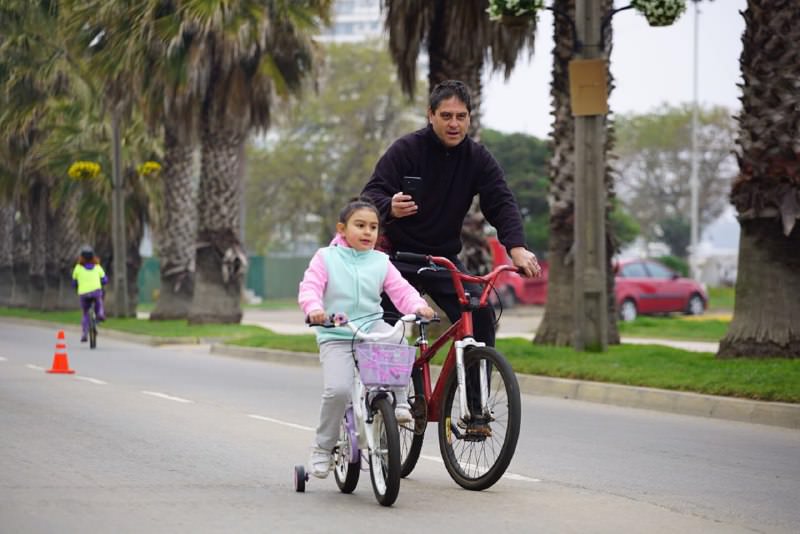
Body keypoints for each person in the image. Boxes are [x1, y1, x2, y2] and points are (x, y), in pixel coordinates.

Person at [362, 80, 541, 434]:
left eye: (461, 116)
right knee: (387, 331)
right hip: (399, 259)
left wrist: (516, 247)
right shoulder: (406, 150)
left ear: (470, 119)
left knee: (480, 311)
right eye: (446, 115)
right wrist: (390, 208)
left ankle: (476, 411)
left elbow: (501, 202)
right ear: (431, 116)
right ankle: (378, 405)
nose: (454, 123)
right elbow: (370, 196)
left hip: (443, 259)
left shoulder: (477, 158)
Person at [298, 197, 435, 479]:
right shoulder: (326, 257)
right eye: (359, 225)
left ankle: (399, 402)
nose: (367, 232)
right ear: (342, 228)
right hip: (337, 333)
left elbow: (402, 291)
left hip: (371, 330)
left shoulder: (381, 261)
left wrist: (417, 307)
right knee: (337, 391)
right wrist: (314, 310)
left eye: (373, 227)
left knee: (397, 340)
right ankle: (323, 448)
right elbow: (310, 287)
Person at [72, 246, 107, 342]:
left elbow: (74, 282)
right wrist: (101, 282)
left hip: (83, 293)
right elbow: (104, 279)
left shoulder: (78, 268)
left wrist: (77, 287)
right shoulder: (97, 267)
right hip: (96, 292)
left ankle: (84, 333)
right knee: (99, 300)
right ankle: (100, 313)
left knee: (85, 313)